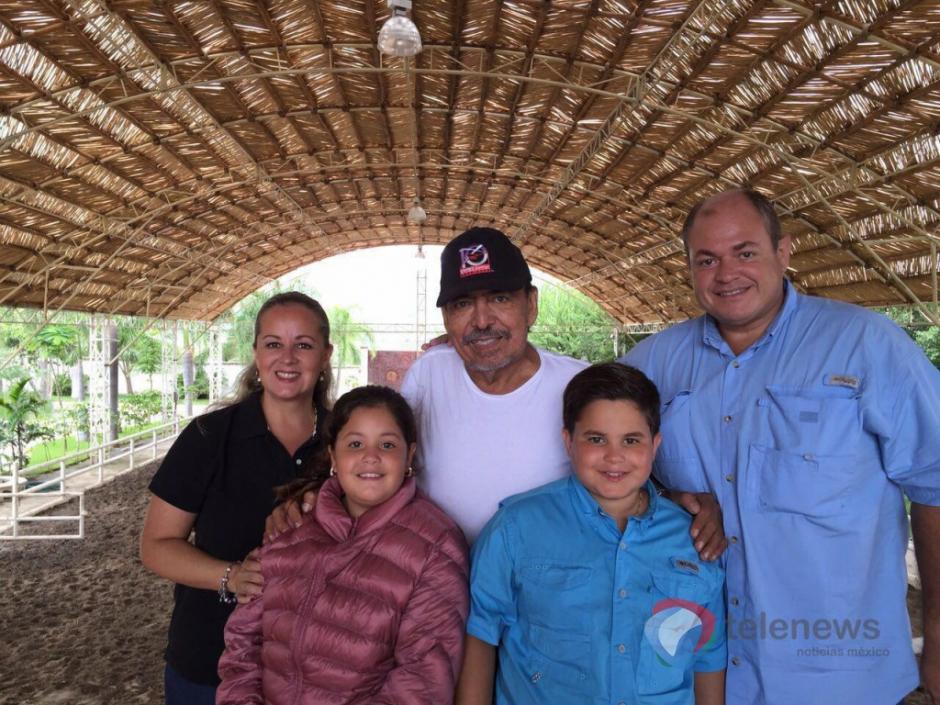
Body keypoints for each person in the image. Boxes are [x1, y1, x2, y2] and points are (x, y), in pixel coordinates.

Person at [621, 188, 940, 705]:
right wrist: (667, 497)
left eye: (745, 252)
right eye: (707, 259)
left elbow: (935, 481)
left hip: (840, 676)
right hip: (702, 676)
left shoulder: (867, 346)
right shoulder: (652, 366)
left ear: (783, 251)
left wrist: (939, 641)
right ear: (689, 268)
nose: (727, 274)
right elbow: (609, 467)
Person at [267, 227, 727, 557]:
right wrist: (317, 498)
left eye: (500, 299)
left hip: (545, 592)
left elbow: (623, 462)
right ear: (446, 319)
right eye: (463, 304)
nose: (482, 320)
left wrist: (671, 498)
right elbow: (379, 453)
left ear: (531, 305)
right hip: (435, 583)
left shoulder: (579, 385)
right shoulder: (429, 374)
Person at [457, 363, 726, 705]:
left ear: (655, 445)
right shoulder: (515, 528)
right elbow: (481, 636)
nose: (614, 457)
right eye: (596, 439)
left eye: (631, 440)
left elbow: (707, 655)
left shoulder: (694, 537)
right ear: (568, 441)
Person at [217, 385, 470, 705]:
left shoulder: (435, 547)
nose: (370, 456)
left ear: (410, 454)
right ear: (333, 455)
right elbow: (242, 644)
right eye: (355, 443)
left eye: (388, 444)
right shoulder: (291, 527)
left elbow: (420, 683)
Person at [139, 292, 333, 705]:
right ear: (256, 354)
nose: (287, 358)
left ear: (325, 355)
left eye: (303, 344)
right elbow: (156, 547)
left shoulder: (345, 442)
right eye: (273, 344)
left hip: (319, 667)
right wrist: (231, 576)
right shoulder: (209, 437)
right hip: (212, 662)